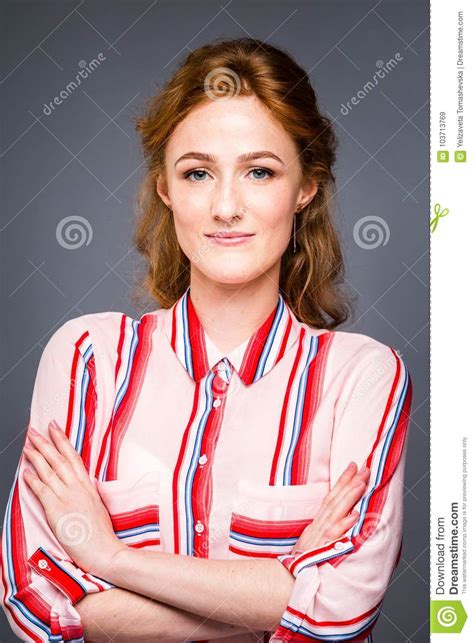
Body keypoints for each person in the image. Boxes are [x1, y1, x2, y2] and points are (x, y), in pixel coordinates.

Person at [0, 37, 412, 642]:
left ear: (306, 187)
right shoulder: (87, 358)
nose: (225, 206)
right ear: (166, 188)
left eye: (259, 171)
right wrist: (286, 584)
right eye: (197, 172)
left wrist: (112, 560)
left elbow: (341, 611)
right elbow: (36, 602)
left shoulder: (361, 377)